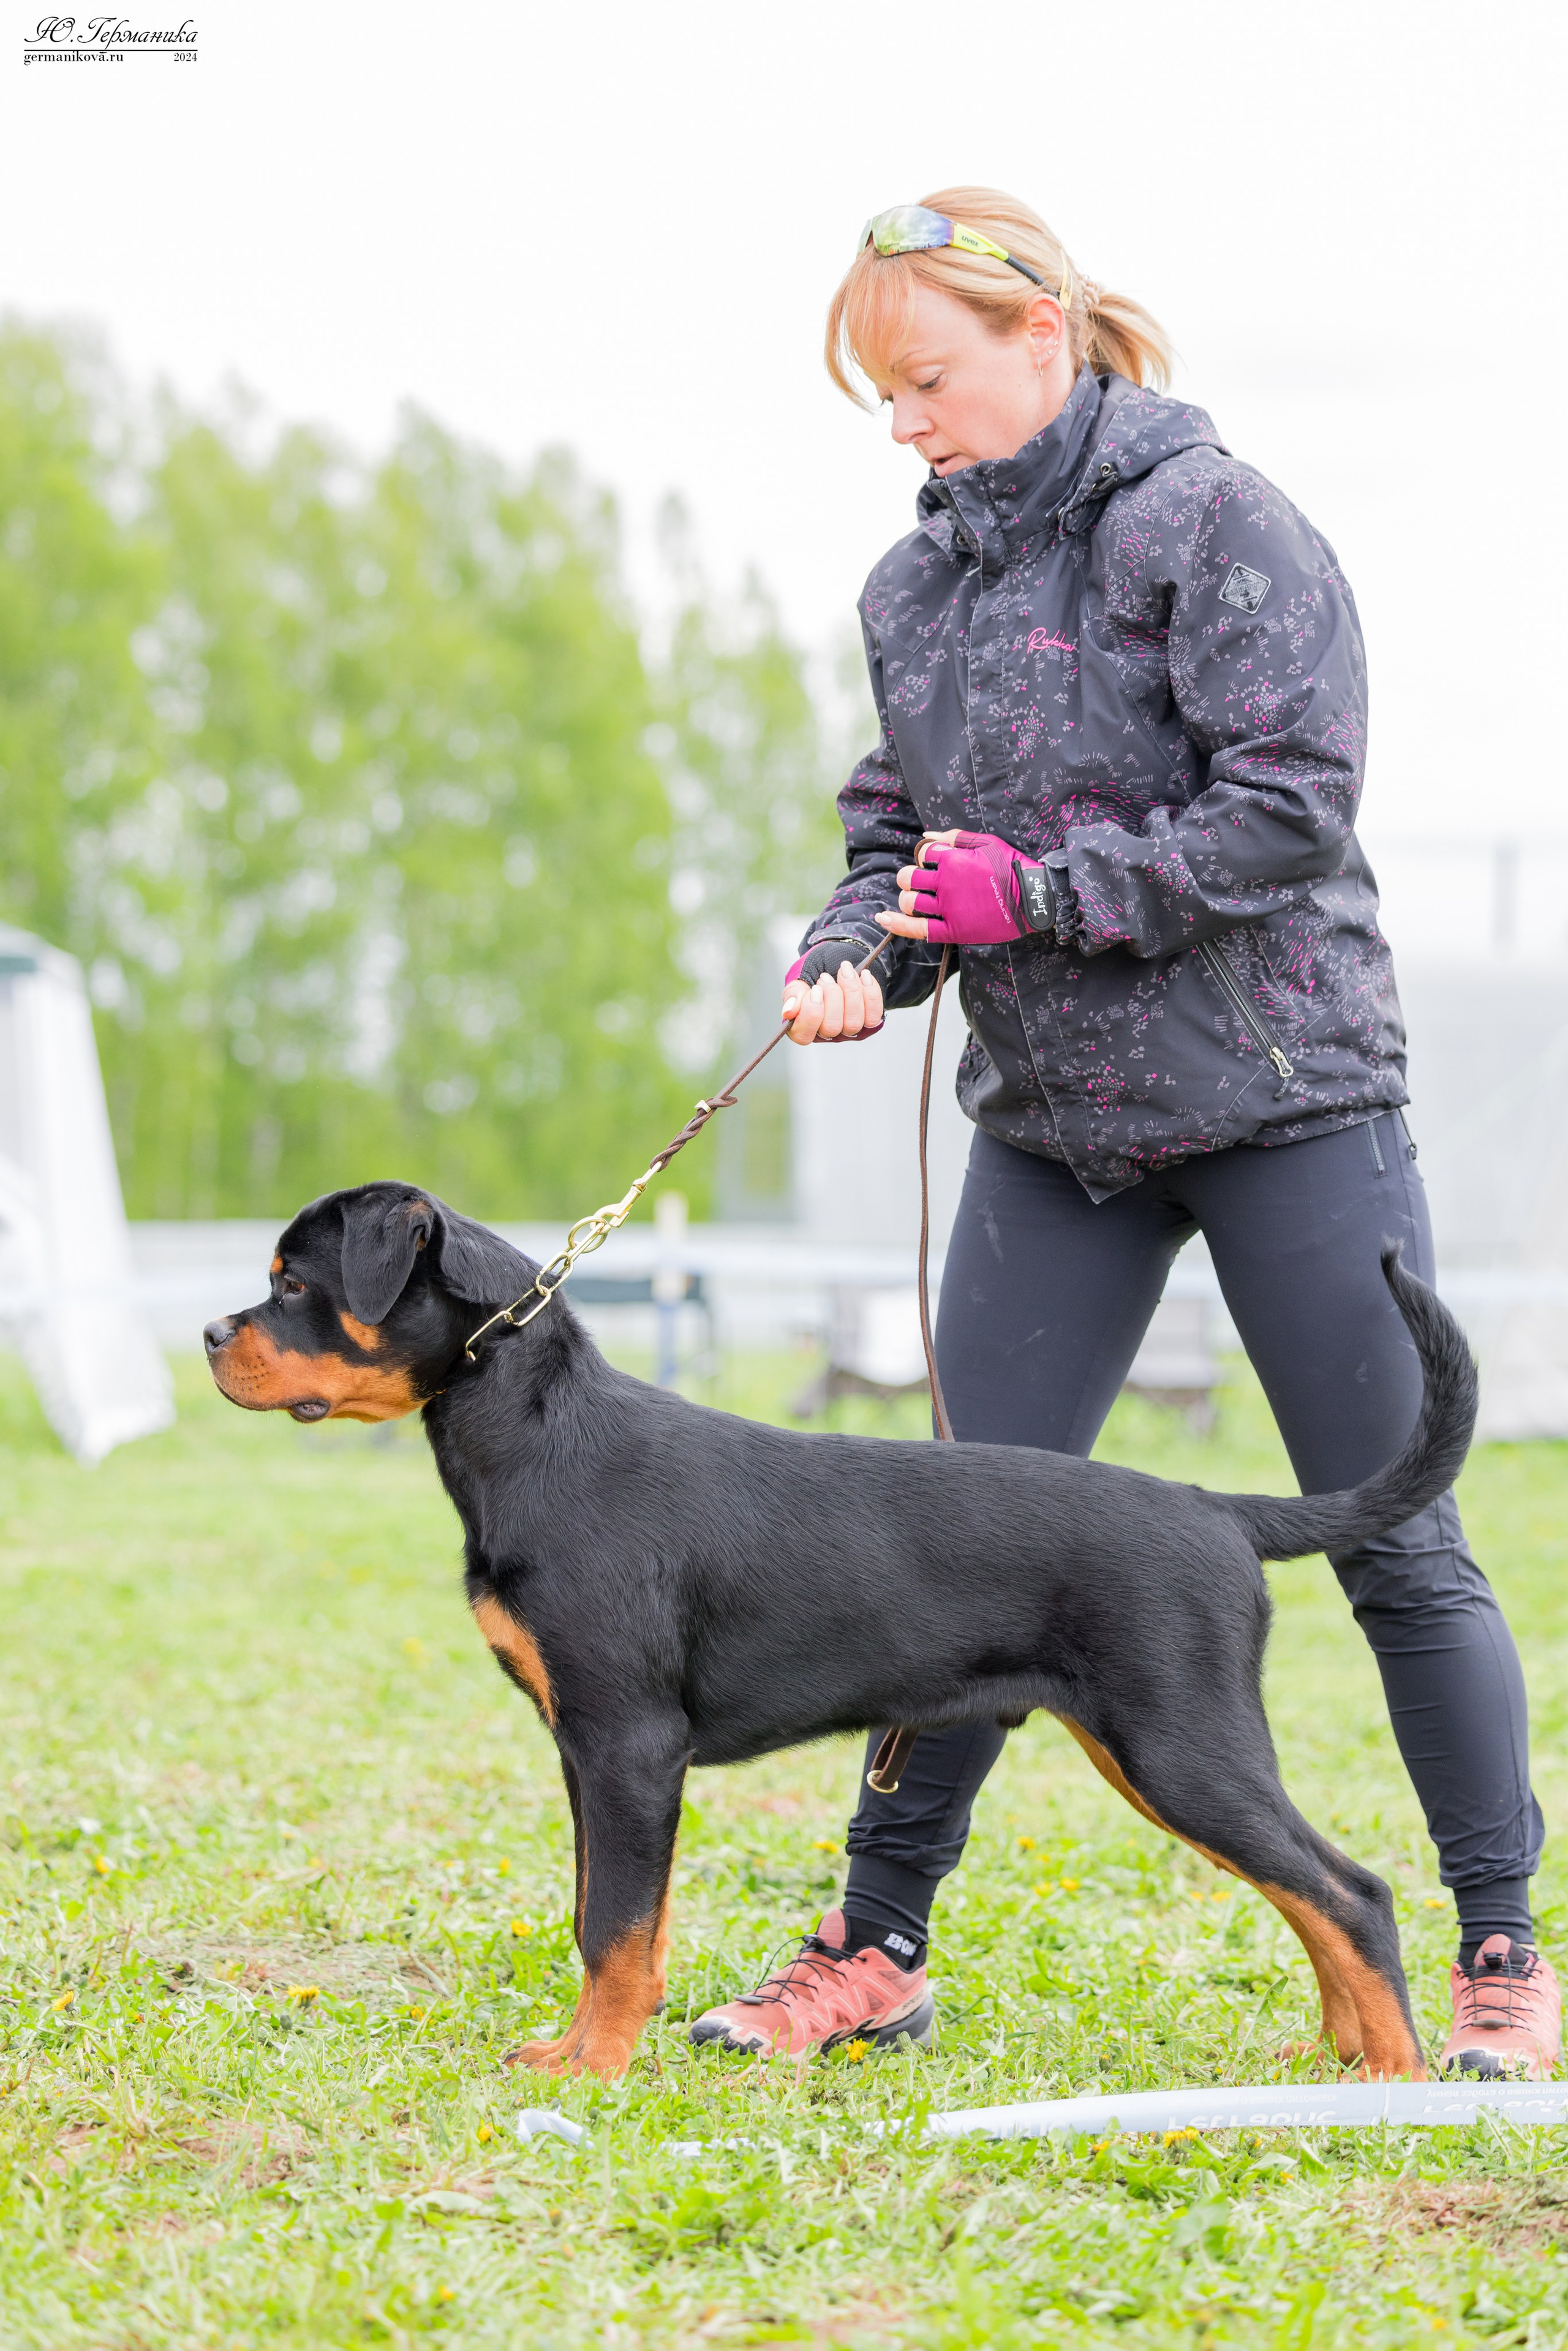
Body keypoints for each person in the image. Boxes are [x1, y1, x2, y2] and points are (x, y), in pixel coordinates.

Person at [689, 187, 1559, 2080]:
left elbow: (1291, 810)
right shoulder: (910, 589)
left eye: (926, 380)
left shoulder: (1218, 521)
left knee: (1394, 1530)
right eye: (880, 399)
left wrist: (1046, 899)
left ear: (1046, 340)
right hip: (1051, 1134)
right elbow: (896, 841)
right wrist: (860, 950)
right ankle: (876, 1947)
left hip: (1284, 1098)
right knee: (958, 1556)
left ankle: (1498, 1954)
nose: (905, 423)